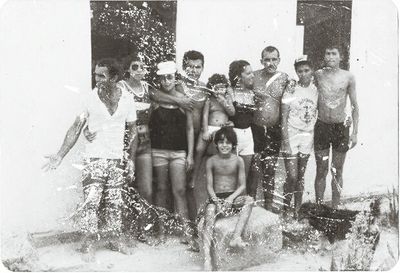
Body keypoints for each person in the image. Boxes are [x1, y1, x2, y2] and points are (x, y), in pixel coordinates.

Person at [42, 58, 137, 259]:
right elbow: (76, 127)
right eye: (95, 74)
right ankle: (88, 244)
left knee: (115, 203)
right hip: (94, 159)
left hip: (116, 160)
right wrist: (60, 155)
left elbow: (133, 130)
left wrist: (131, 159)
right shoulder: (89, 98)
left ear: (114, 77)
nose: (97, 79)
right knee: (90, 204)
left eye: (101, 75)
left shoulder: (128, 99)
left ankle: (114, 239)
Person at [150, 50, 207, 221]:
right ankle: (167, 225)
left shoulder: (204, 87)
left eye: (198, 67)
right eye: (190, 66)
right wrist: (179, 101)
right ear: (183, 68)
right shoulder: (177, 85)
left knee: (186, 186)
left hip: (192, 142)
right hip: (169, 142)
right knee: (164, 186)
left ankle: (189, 226)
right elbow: (153, 93)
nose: (194, 70)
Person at [201, 127, 254, 271]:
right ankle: (207, 260)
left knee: (249, 201)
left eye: (228, 142)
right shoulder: (211, 161)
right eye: (221, 142)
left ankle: (236, 237)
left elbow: (242, 185)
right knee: (210, 213)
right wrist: (216, 201)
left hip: (233, 197)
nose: (225, 145)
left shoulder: (238, 160)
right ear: (216, 144)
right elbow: (209, 187)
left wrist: (231, 198)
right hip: (216, 198)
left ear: (233, 145)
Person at [313, 44, 359, 209]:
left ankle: (335, 207)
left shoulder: (348, 77)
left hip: (340, 128)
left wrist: (355, 133)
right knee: (321, 170)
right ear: (324, 56)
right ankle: (318, 207)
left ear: (341, 57)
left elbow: (354, 106)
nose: (330, 57)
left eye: (334, 54)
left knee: (337, 170)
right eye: (327, 53)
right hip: (322, 126)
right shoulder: (317, 75)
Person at [251, 46, 289, 211]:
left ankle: (268, 205)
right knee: (253, 168)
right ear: (261, 61)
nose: (270, 63)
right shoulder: (253, 76)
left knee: (270, 169)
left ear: (279, 61)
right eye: (267, 59)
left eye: (274, 59)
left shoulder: (284, 78)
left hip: (274, 129)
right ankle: (249, 205)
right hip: (255, 129)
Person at [281, 55, 318, 218]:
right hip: (292, 134)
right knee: (292, 176)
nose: (303, 74)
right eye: (300, 71)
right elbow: (283, 118)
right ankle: (284, 208)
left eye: (306, 70)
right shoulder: (291, 89)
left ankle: (297, 211)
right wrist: (286, 142)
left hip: (306, 136)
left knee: (300, 177)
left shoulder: (316, 90)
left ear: (312, 71)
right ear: (296, 72)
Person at [189, 74, 235, 188]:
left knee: (218, 151)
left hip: (222, 129)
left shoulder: (227, 99)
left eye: (222, 88)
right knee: (199, 149)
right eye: (217, 88)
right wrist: (205, 131)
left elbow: (232, 113)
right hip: (209, 127)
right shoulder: (209, 100)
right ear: (211, 88)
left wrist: (224, 101)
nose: (220, 90)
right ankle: (193, 179)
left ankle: (218, 181)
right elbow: (204, 116)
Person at [228, 60, 256, 182]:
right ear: (238, 76)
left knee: (243, 177)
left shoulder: (252, 93)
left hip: (248, 137)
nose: (253, 76)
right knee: (230, 177)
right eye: (248, 73)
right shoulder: (230, 91)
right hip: (233, 136)